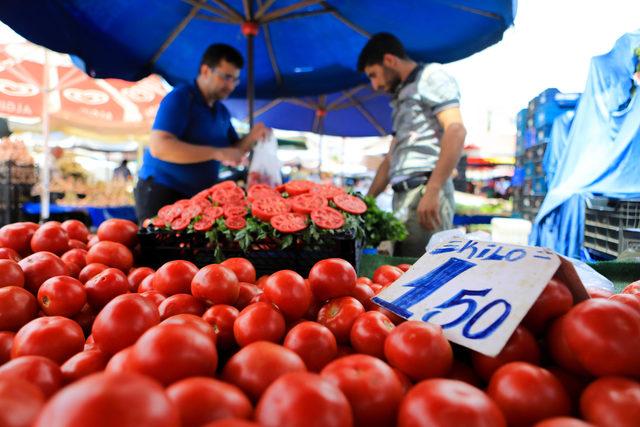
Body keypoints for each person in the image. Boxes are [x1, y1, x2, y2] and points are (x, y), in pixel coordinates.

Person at [358, 33, 467, 257]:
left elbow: (456, 130)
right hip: (402, 197)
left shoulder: (431, 76)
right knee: (402, 276)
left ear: (389, 60)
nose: (375, 85)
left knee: (425, 278)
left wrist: (433, 189)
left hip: (425, 190)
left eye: (374, 75)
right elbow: (391, 158)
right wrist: (365, 203)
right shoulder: (401, 97)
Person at [135, 43, 269, 222]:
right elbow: (160, 147)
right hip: (163, 192)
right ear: (206, 70)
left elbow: (233, 151)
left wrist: (253, 136)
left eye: (235, 80)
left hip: (198, 198)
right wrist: (216, 152)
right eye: (226, 77)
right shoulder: (181, 98)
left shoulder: (221, 111)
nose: (231, 85)